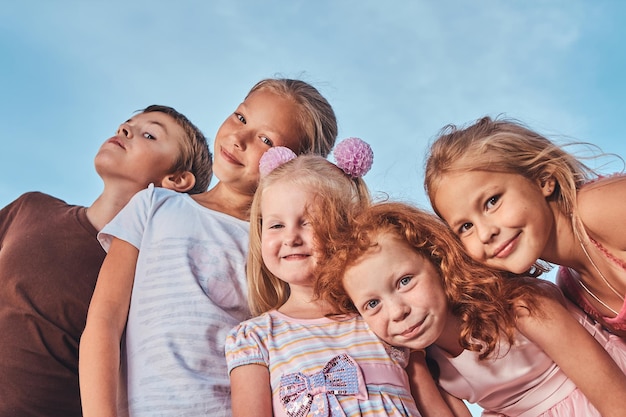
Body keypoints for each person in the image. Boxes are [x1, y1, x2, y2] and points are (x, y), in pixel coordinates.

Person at [79, 78, 338, 417]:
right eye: (241, 117)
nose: (238, 138)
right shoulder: (154, 205)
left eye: (265, 139)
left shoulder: (279, 246)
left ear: (290, 162)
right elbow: (104, 320)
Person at [316, 201, 626, 417]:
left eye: (405, 281)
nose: (396, 312)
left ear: (438, 261)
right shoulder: (427, 360)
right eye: (372, 304)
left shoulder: (520, 308)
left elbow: (616, 402)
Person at [0, 104, 211, 417]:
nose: (124, 130)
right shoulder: (31, 207)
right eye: (127, 123)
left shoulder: (151, 278)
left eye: (149, 134)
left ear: (177, 179)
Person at [226, 140, 451, 417]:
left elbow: (433, 408)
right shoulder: (255, 338)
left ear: (346, 228)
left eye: (309, 222)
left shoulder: (382, 319)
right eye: (276, 225)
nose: (291, 238)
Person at [423, 116, 626, 337]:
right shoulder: (571, 288)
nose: (485, 233)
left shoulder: (601, 209)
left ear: (543, 179)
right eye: (465, 226)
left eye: (492, 202)